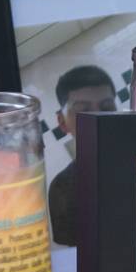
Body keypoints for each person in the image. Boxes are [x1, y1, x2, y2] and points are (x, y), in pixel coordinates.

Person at [47, 66, 117, 247]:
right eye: (82, 110)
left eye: (107, 107)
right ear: (62, 122)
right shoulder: (62, 187)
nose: (98, 117)